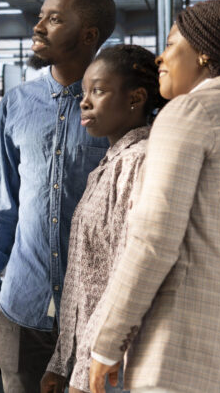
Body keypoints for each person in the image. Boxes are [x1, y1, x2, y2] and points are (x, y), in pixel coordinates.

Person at [88, 0, 220, 393]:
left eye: (171, 44)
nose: (160, 57)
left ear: (205, 53)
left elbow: (153, 240)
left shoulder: (190, 111)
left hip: (188, 359)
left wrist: (108, 341)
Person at [0, 0, 116, 392]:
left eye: (54, 19)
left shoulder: (118, 109)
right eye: (40, 16)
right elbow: (1, 204)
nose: (38, 27)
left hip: (96, 318)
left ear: (88, 35)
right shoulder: (17, 102)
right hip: (23, 310)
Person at [40, 45, 165, 393]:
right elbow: (83, 279)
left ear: (135, 98)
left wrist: (82, 375)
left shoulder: (138, 162)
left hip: (113, 368)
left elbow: (124, 277)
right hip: (92, 362)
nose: (84, 102)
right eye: (84, 92)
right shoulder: (111, 162)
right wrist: (61, 364)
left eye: (98, 91)